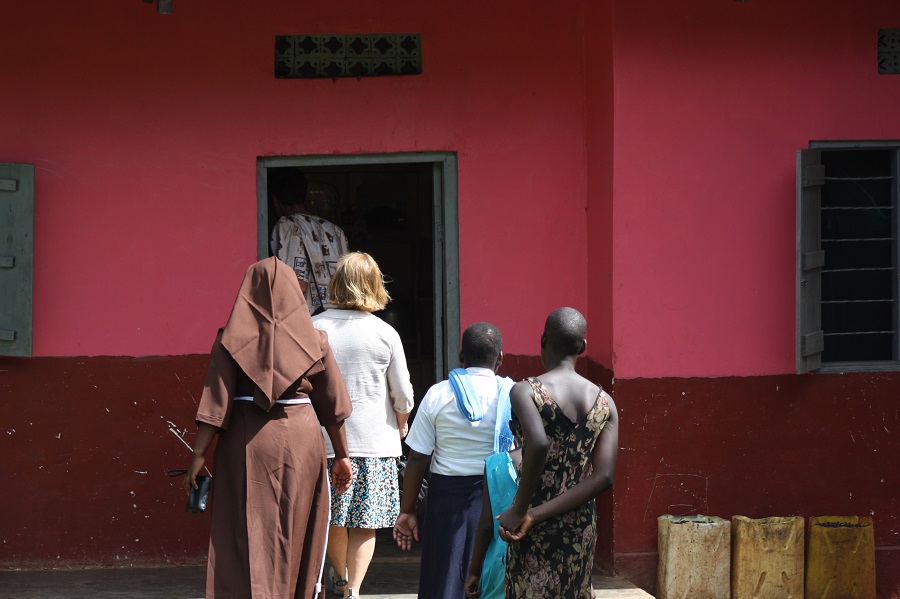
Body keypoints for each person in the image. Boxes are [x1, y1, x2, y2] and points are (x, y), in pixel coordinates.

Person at [182, 257, 354, 599]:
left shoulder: (229, 341)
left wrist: (198, 454)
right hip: (303, 442)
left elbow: (216, 405)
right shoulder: (316, 341)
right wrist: (343, 456)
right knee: (297, 526)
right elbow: (333, 408)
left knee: (245, 531)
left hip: (246, 441)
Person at [311, 252, 415, 599]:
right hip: (374, 443)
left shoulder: (314, 327)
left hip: (323, 441)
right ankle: (354, 591)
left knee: (334, 517)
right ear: (374, 285)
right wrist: (402, 423)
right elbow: (402, 393)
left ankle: (338, 578)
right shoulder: (385, 332)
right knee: (365, 522)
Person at [497, 307, 619, 598]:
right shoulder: (605, 403)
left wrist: (521, 511)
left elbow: (538, 445)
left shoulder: (525, 391)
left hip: (532, 522)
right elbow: (604, 476)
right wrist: (533, 515)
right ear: (583, 347)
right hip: (579, 525)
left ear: (543, 339)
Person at [393, 322, 515, 599]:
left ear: (461, 357)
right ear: (500, 358)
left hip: (445, 499)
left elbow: (417, 458)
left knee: (444, 574)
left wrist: (408, 510)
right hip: (497, 498)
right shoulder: (512, 395)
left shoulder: (439, 394)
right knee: (491, 575)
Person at [269, 168, 350, 314]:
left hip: (311, 322)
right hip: (340, 318)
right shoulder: (336, 230)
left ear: (274, 199)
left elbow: (298, 284)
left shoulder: (287, 226)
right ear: (305, 195)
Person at [464, 448, 522, 599]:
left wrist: (474, 572)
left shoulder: (496, 464)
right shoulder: (562, 463)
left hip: (502, 563)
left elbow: (486, 525)